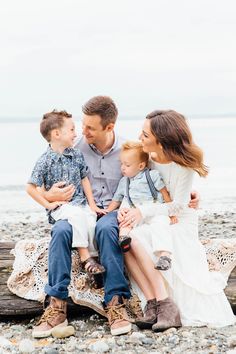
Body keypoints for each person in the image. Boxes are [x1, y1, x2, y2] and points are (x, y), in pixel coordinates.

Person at [32, 97, 199, 338]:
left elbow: (155, 178)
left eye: (90, 127)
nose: (82, 131)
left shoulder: (130, 151)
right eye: (82, 124)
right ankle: (57, 306)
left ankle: (115, 303)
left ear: (109, 127)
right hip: (80, 211)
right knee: (59, 231)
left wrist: (190, 196)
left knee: (107, 230)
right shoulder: (71, 148)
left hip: (111, 212)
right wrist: (48, 194)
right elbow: (38, 178)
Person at [120, 109, 235, 331]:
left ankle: (167, 305)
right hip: (156, 214)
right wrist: (126, 210)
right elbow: (136, 187)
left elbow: (179, 206)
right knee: (128, 240)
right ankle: (154, 303)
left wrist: (143, 212)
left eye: (145, 134)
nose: (139, 137)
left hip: (179, 219)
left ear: (161, 141)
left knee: (145, 237)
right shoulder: (147, 157)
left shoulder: (184, 166)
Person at [27, 110, 106, 282]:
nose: (75, 134)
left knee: (91, 220)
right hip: (61, 207)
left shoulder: (76, 154)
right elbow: (31, 188)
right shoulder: (44, 160)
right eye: (71, 130)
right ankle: (86, 259)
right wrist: (48, 205)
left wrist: (92, 205)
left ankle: (94, 260)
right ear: (56, 134)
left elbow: (84, 178)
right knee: (76, 216)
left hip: (80, 203)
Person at [106, 140, 177, 271]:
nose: (122, 168)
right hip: (135, 213)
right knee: (124, 222)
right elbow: (116, 200)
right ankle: (124, 240)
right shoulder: (124, 182)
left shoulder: (151, 175)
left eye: (126, 165)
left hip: (153, 209)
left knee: (161, 224)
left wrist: (171, 212)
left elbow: (164, 193)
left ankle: (164, 255)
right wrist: (107, 211)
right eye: (121, 164)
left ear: (140, 166)